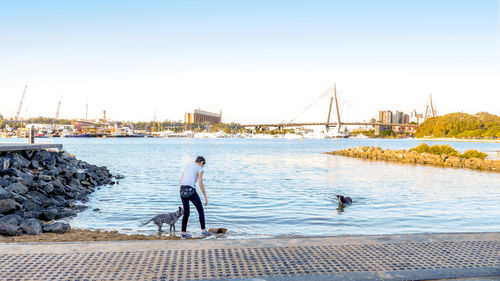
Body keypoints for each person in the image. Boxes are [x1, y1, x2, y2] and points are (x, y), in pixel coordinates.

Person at [179, 156, 210, 239]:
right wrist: (205, 197)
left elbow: (182, 180)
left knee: (186, 213)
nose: (203, 167)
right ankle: (203, 231)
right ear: (202, 162)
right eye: (203, 165)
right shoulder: (200, 168)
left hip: (182, 190)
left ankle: (183, 233)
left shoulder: (187, 167)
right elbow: (200, 183)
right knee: (200, 210)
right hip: (190, 190)